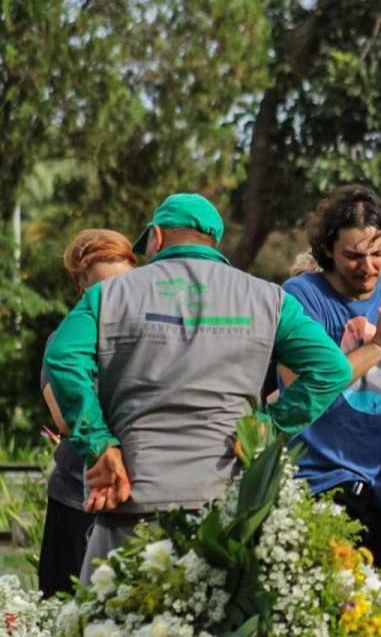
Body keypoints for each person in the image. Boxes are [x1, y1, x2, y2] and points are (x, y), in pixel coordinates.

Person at [44, 193, 351, 576]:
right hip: (224, 504)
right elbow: (331, 369)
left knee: (113, 623)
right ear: (213, 243)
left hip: (133, 496)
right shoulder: (268, 299)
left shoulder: (107, 296)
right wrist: (269, 426)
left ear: (155, 238)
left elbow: (62, 358)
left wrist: (99, 443)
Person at [281, 185, 381, 583]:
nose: (368, 266)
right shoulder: (300, 296)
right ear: (328, 249)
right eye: (353, 255)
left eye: (378, 253)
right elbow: (301, 390)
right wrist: (379, 343)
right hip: (320, 482)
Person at [36, 229, 136, 595]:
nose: (116, 299)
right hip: (76, 500)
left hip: (135, 499)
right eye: (103, 289)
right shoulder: (63, 344)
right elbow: (64, 418)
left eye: (125, 287)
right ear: (81, 287)